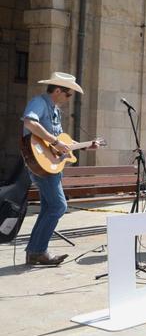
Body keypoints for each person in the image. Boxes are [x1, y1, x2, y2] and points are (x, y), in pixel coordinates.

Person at [20, 72, 100, 266]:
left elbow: (63, 142)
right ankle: (38, 251)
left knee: (49, 207)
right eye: (68, 94)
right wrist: (55, 140)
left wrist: (85, 145)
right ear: (57, 90)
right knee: (59, 206)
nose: (69, 98)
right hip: (40, 163)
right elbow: (29, 122)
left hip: (51, 165)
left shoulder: (55, 110)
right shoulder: (39, 102)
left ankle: (34, 252)